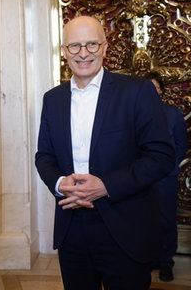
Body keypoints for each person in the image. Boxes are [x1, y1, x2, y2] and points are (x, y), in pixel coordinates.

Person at [35, 16, 175, 289]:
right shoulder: (52, 99)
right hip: (71, 228)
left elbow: (161, 156)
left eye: (91, 44)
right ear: (63, 51)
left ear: (105, 47)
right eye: (74, 46)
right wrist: (60, 183)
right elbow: (45, 156)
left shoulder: (137, 91)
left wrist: (106, 186)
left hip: (125, 228)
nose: (83, 53)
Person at [143, 71, 188, 282]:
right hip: (140, 178)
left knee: (166, 220)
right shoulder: (136, 114)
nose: (152, 92)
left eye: (156, 87)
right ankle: (149, 258)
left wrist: (169, 166)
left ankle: (165, 262)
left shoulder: (174, 115)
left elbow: (181, 145)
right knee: (144, 219)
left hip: (165, 178)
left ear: (161, 90)